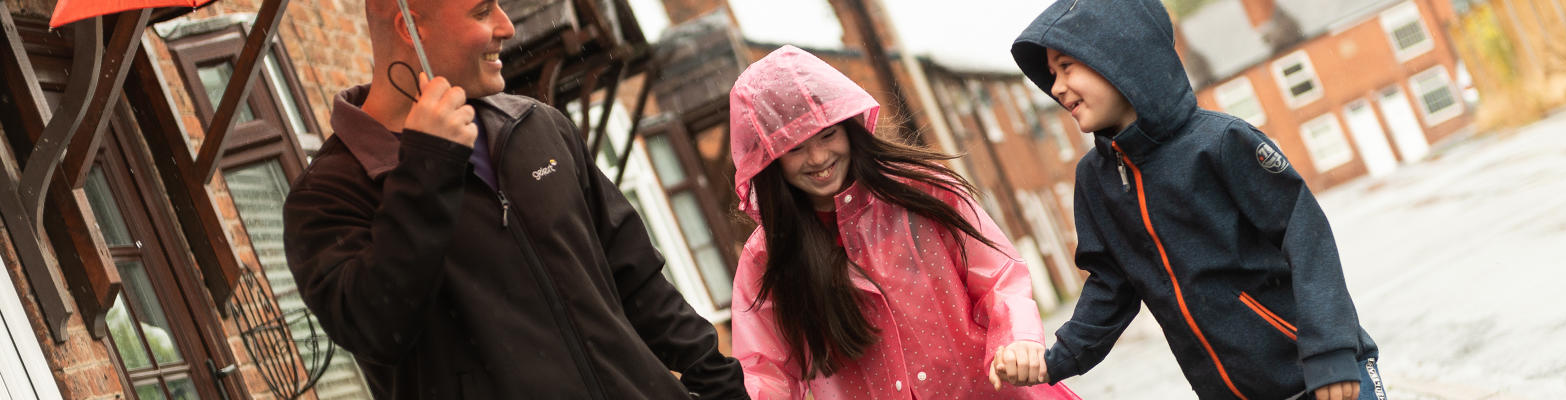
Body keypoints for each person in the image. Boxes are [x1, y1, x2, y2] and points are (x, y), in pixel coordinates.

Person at [280, 0, 746, 398]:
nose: (507, 26)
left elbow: (638, 280)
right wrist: (426, 166)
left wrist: (723, 382)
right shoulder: (325, 197)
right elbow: (376, 327)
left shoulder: (538, 126)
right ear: (410, 28)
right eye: (483, 10)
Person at [992, 1, 1387, 399]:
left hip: (1322, 377)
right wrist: (1054, 359)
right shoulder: (1094, 181)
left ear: (1117, 55)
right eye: (1051, 74)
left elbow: (1306, 237)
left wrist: (1331, 351)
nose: (1056, 87)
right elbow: (1109, 287)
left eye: (1066, 66)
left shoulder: (1220, 142)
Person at [726, 45, 1080, 400]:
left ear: (849, 128)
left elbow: (998, 277)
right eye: (794, 148)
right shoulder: (766, 258)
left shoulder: (922, 190)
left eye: (828, 135)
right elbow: (764, 370)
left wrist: (1017, 339)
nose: (818, 158)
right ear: (768, 159)